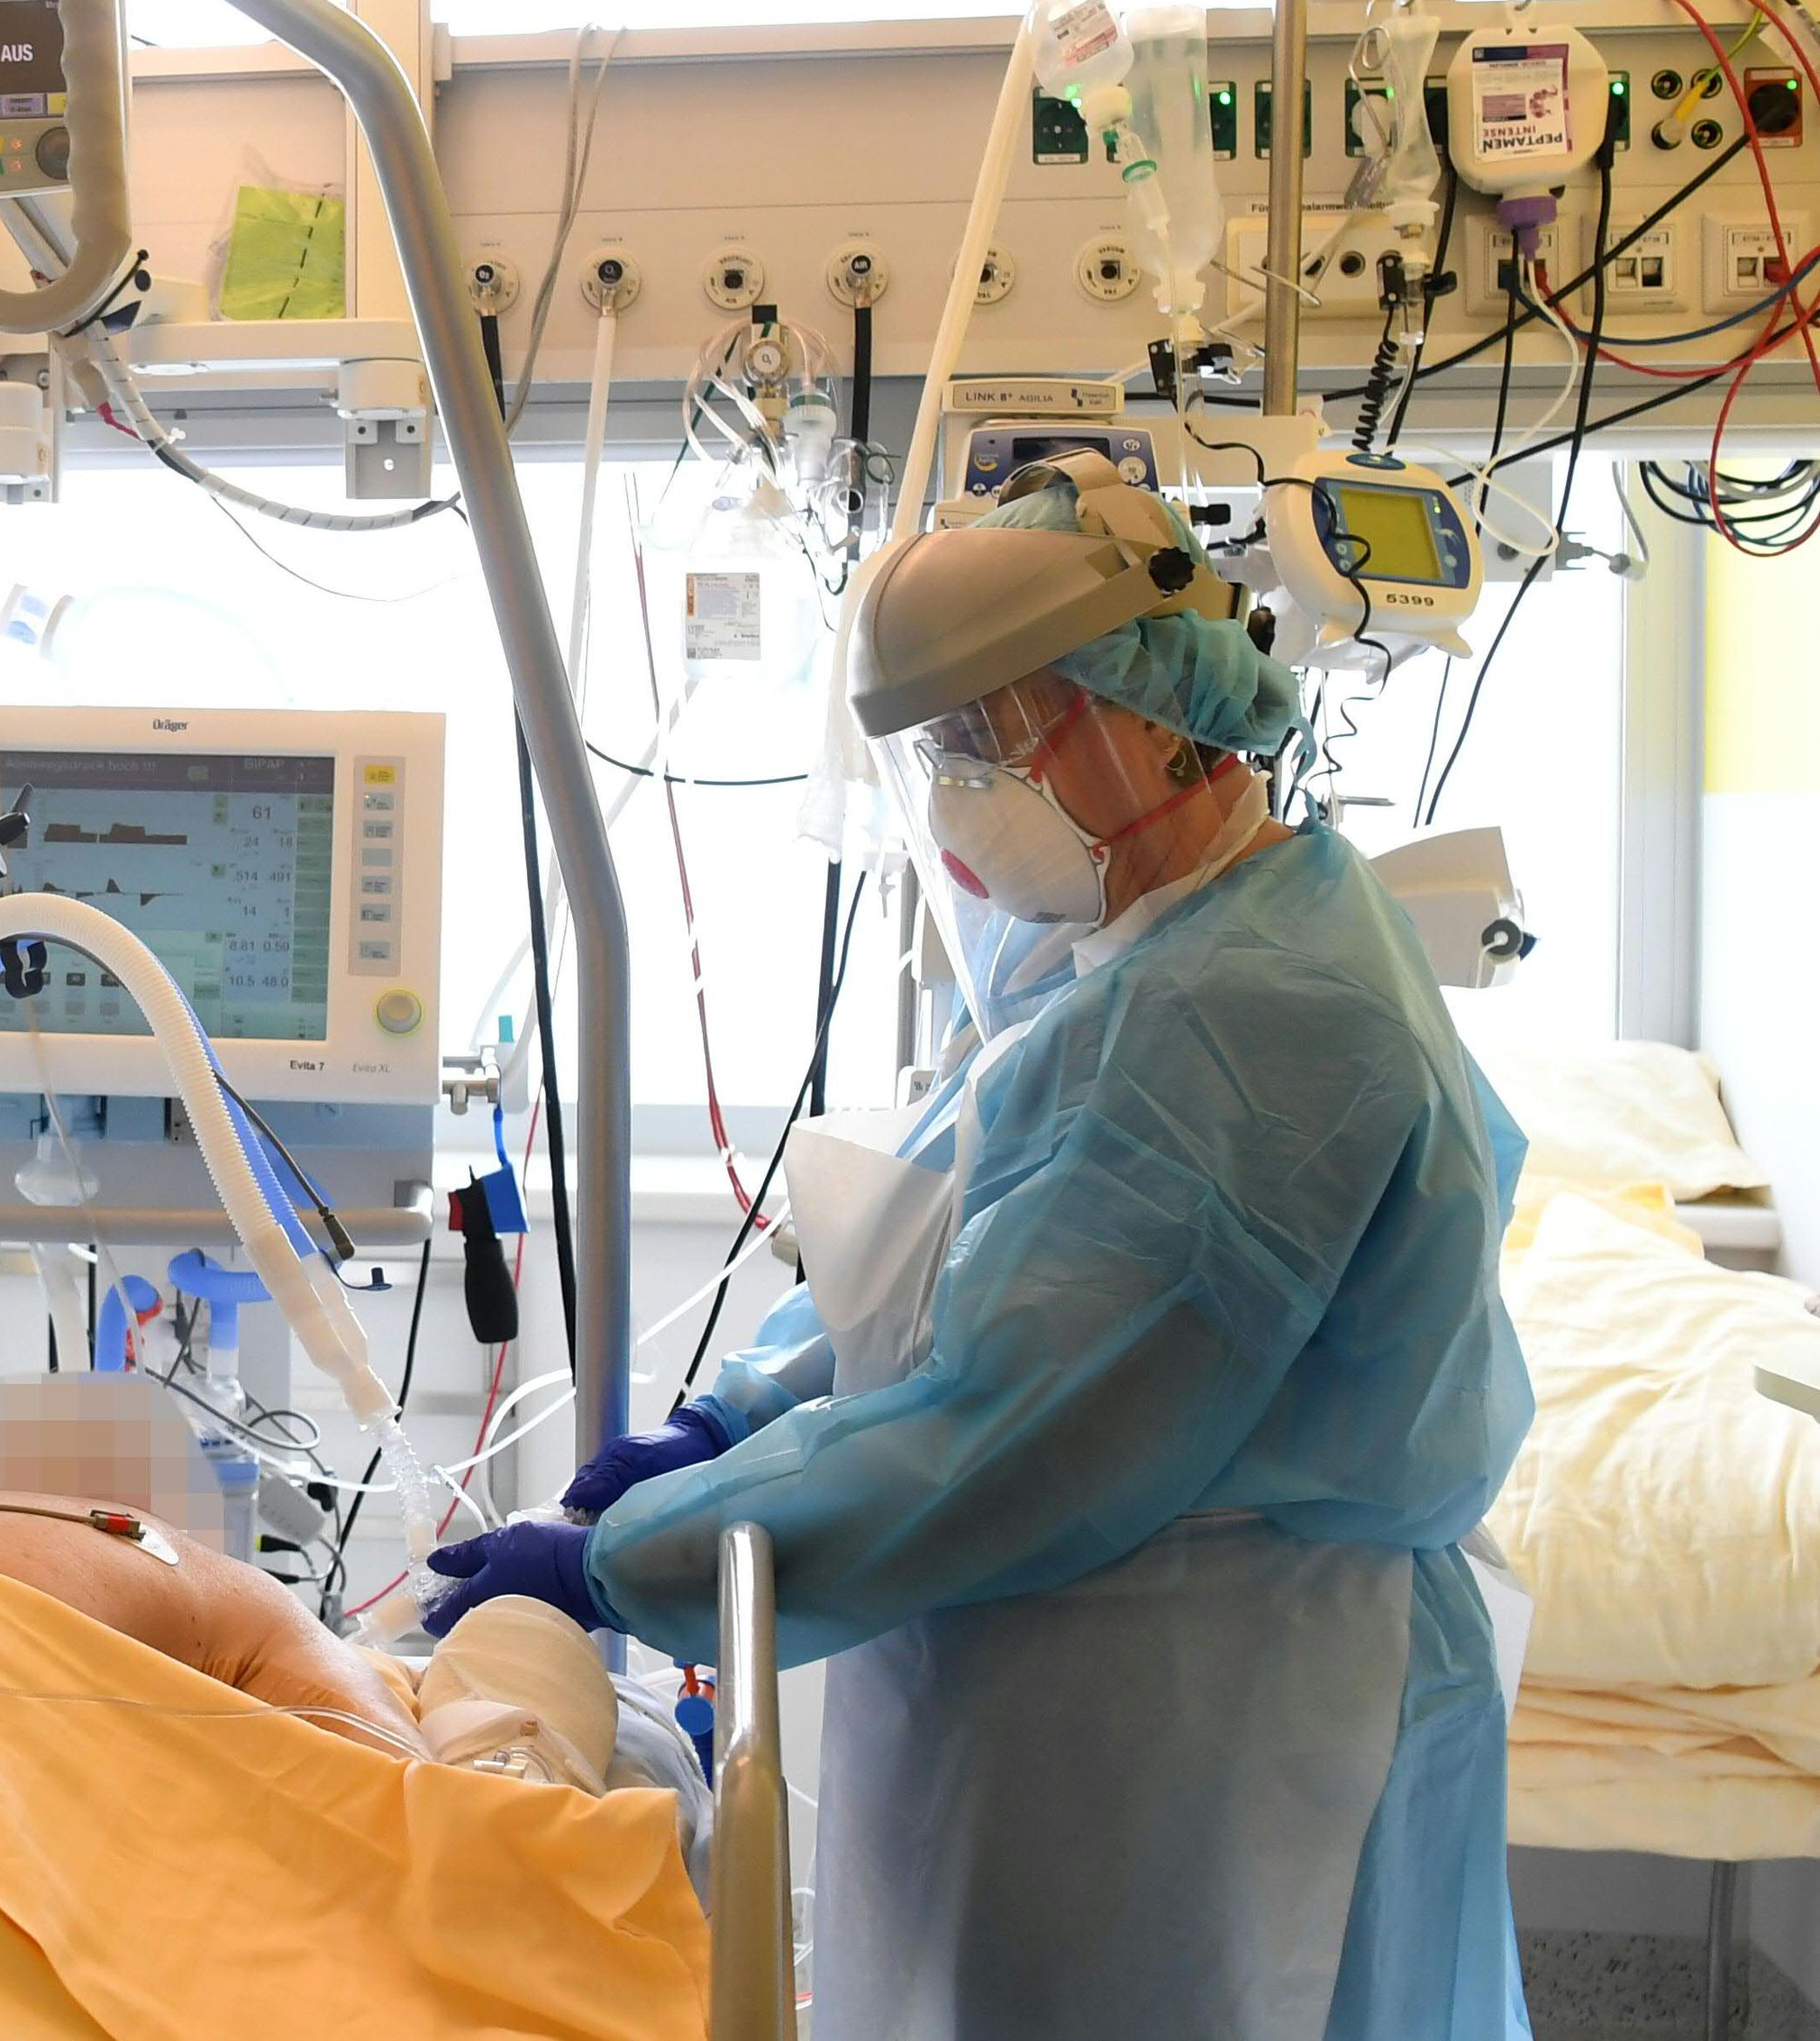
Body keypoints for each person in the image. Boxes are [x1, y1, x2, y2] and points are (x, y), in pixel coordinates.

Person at [422, 453, 1534, 2041]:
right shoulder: (1112, 937)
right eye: (932, 746)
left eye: (987, 734)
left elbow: (1013, 1431)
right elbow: (970, 1221)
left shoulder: (1261, 1017)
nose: (956, 785)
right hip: (1070, 1658)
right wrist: (730, 1416)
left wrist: (627, 1562)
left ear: (1155, 706)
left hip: (1224, 1702)